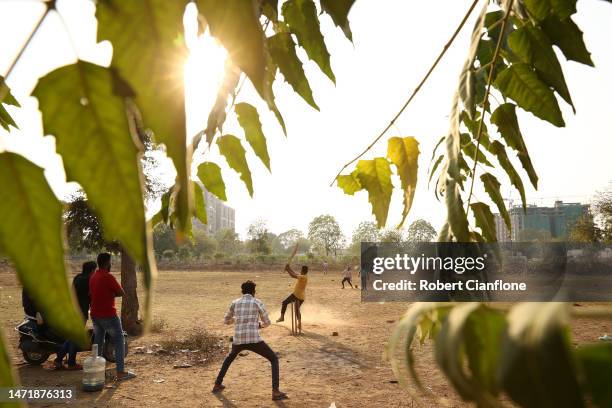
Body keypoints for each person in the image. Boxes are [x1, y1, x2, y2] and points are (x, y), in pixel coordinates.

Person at [212, 280, 287, 401]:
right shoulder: (257, 302)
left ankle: (217, 384)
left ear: (242, 291)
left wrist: (237, 320)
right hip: (254, 340)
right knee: (273, 359)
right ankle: (275, 391)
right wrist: (258, 325)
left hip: (238, 340)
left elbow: (226, 320)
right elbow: (267, 322)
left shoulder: (235, 302)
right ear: (253, 292)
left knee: (229, 359)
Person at [89, 253, 135, 381]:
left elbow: (93, 293)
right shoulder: (108, 277)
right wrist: (110, 295)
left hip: (95, 314)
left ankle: (96, 370)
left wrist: (106, 295)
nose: (111, 264)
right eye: (110, 262)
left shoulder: (93, 276)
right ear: (107, 263)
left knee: (98, 342)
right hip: (108, 314)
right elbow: (121, 292)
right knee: (119, 341)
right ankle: (120, 372)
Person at [54, 261, 96, 370]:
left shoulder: (78, 277)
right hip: (80, 312)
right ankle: (69, 362)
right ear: (92, 270)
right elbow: (91, 295)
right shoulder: (88, 280)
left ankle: (59, 359)